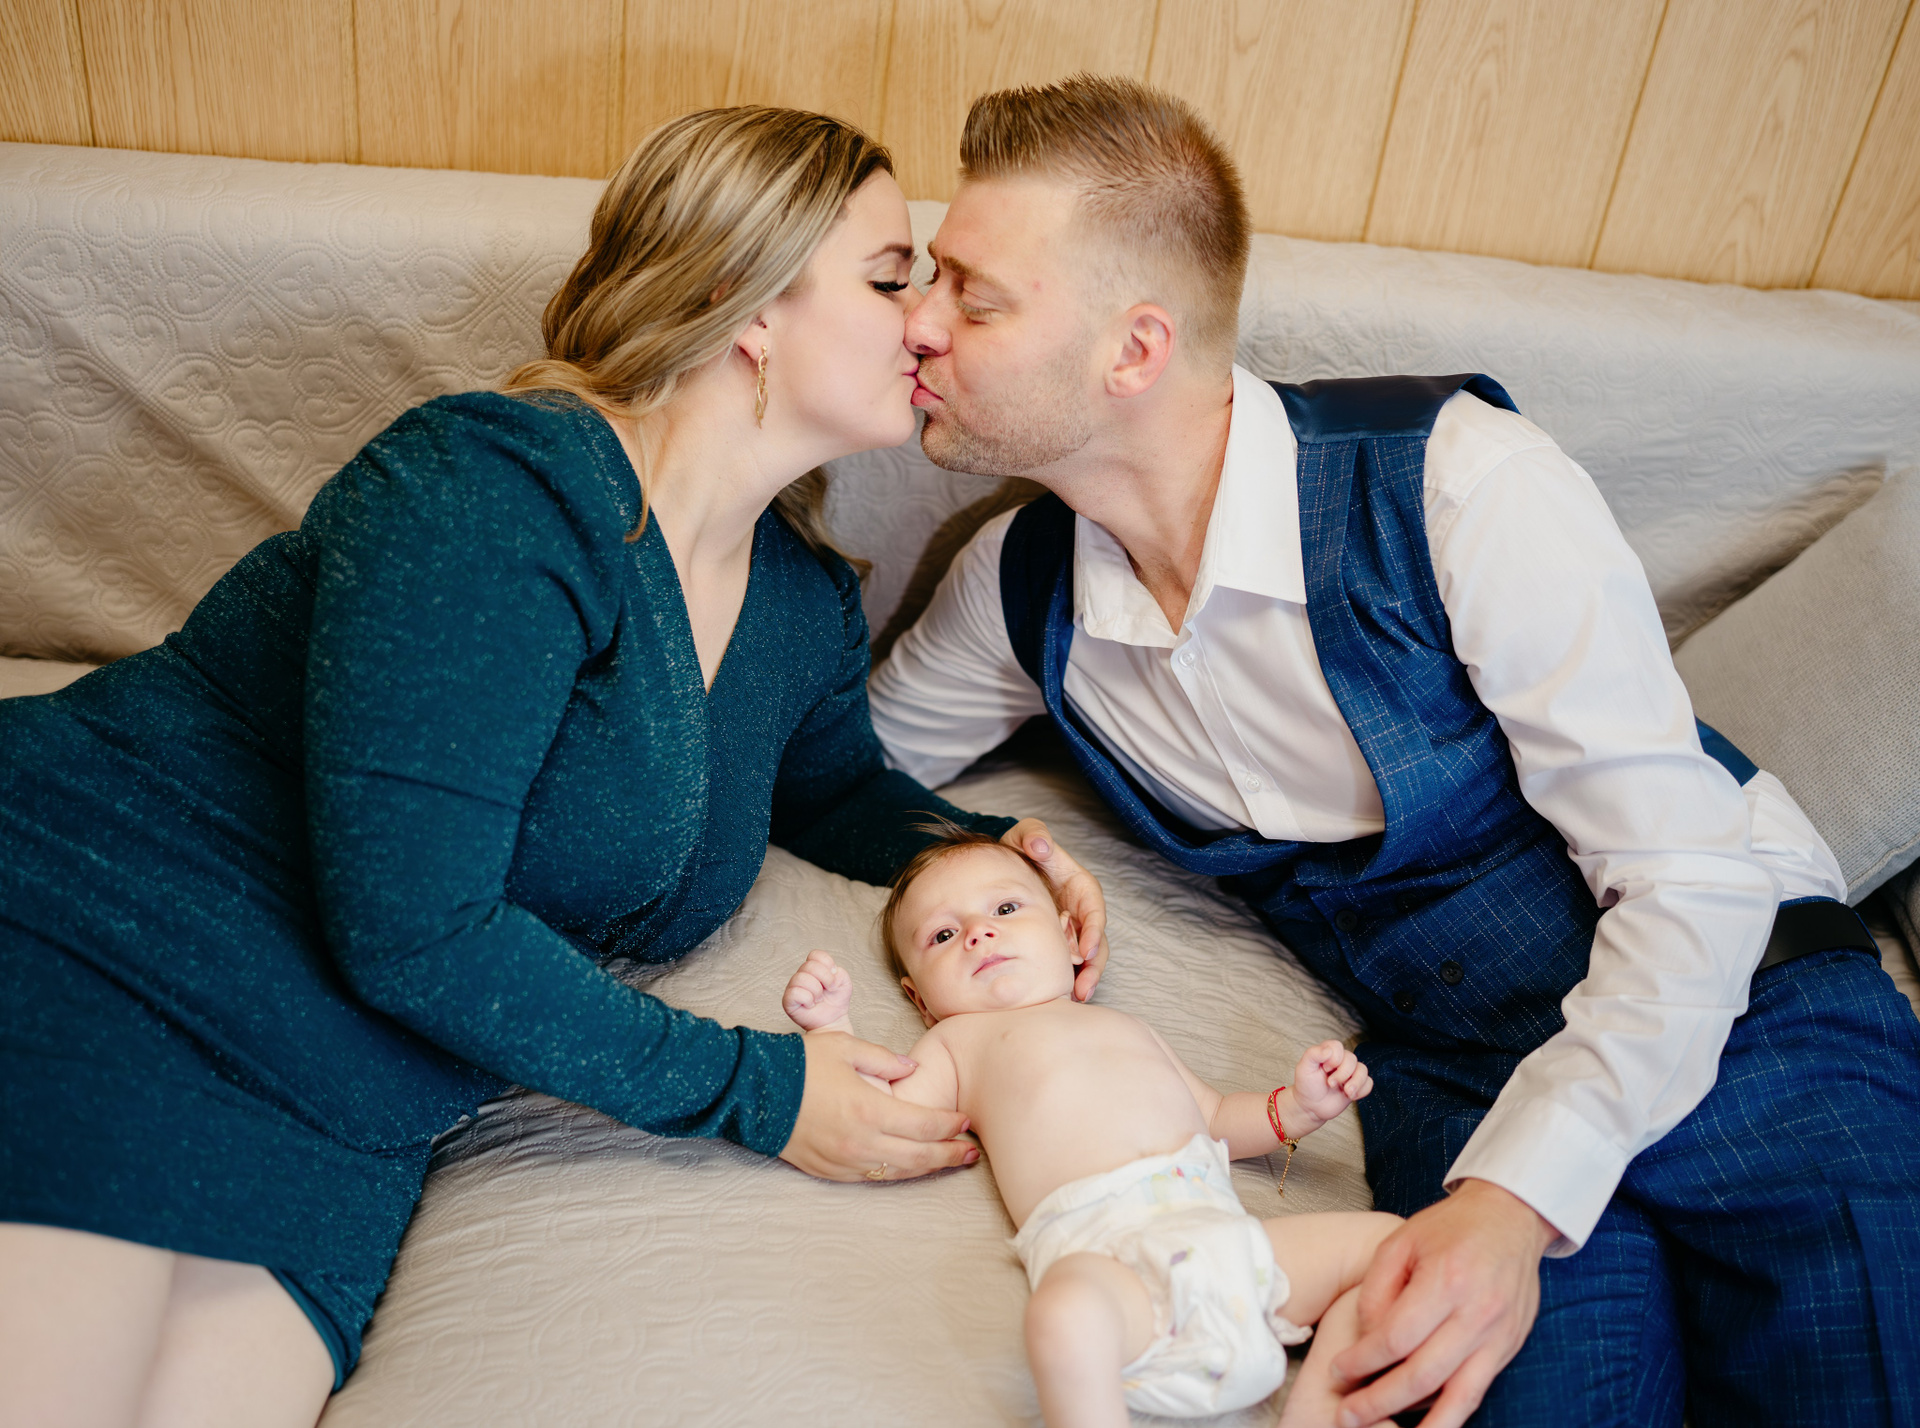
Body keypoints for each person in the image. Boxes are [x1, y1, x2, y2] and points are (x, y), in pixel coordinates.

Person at [0, 107, 1111, 1428]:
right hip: (110, 936)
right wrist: (758, 1092)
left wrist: (985, 854)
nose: (930, 325)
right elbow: (415, 930)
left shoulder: (798, 603)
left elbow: (835, 792)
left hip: (350, 1106)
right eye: (890, 279)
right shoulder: (496, 492)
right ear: (744, 298)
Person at [868, 74, 1920, 1428]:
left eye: (972, 297)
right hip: (1457, 1078)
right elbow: (844, 771)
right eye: (926, 282)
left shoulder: (1459, 481)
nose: (918, 325)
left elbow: (1690, 878)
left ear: (1135, 350)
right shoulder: (1019, 593)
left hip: (1748, 1010)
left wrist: (1515, 1200)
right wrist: (997, 854)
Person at [781, 824, 1396, 1428]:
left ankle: (1323, 1407)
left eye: (1004, 907)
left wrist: (1299, 1107)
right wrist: (832, 1032)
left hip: (1236, 1253)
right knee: (1064, 1315)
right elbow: (883, 1120)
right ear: (920, 1000)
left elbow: (1215, 1118)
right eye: (943, 934)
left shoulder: (1126, 1026)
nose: (978, 933)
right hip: (1113, 1270)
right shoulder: (957, 1043)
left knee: (1392, 1246)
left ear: (1070, 935)